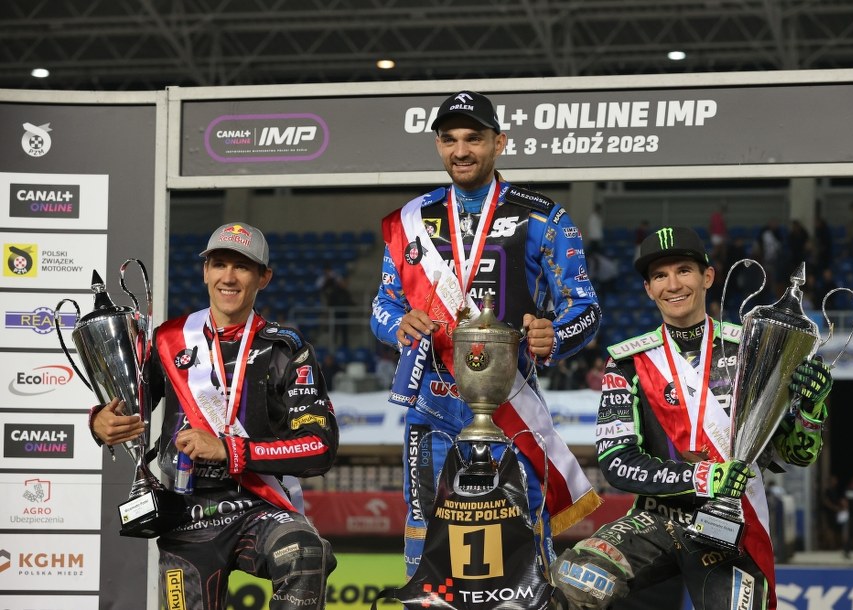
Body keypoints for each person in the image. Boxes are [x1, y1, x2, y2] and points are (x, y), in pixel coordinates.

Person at [370, 90, 602, 580]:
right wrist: (400, 325)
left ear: (499, 142)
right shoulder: (411, 222)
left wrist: (554, 336)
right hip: (430, 411)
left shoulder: (545, 217)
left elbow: (585, 308)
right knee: (424, 543)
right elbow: (382, 308)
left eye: (473, 138)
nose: (461, 150)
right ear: (437, 145)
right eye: (449, 139)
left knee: (527, 539)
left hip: (511, 409)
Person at [551, 226, 834, 610]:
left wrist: (811, 410)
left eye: (684, 270)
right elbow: (617, 463)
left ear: (708, 277)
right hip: (656, 518)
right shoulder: (628, 362)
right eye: (659, 275)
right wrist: (705, 477)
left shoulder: (756, 347)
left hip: (733, 526)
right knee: (570, 582)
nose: (673, 284)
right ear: (648, 289)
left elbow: (797, 455)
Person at [89, 222, 339, 609]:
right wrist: (100, 422)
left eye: (241, 267)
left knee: (304, 553)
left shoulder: (286, 350)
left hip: (260, 506)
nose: (228, 277)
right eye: (219, 264)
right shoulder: (168, 340)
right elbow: (125, 406)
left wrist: (229, 450)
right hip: (185, 512)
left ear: (264, 278)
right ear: (205, 271)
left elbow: (319, 448)